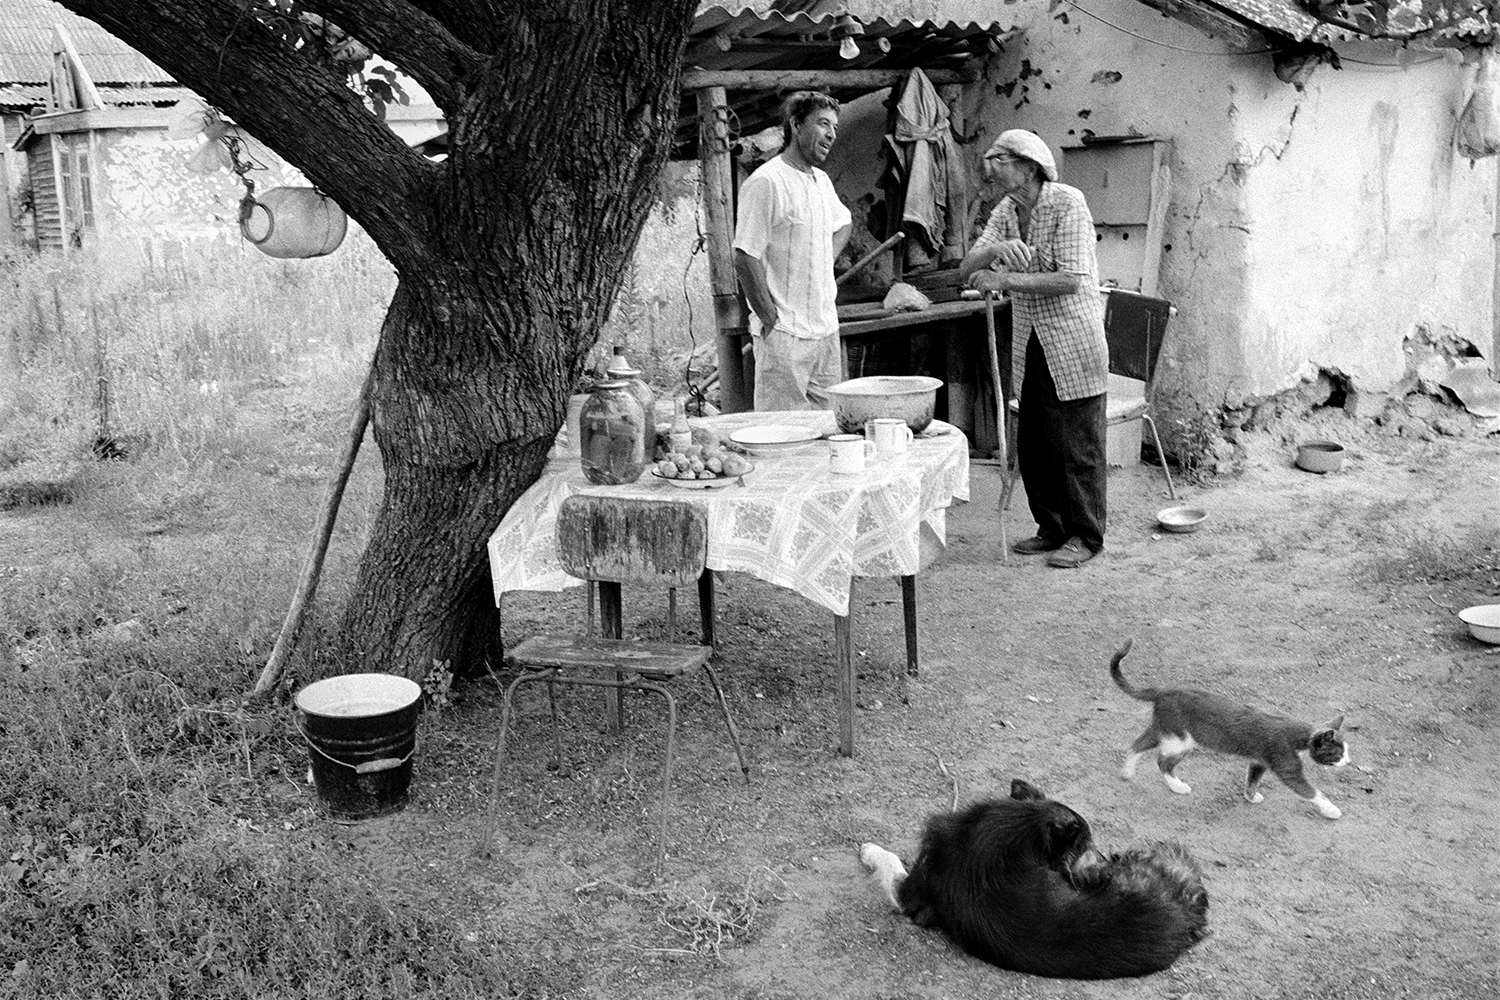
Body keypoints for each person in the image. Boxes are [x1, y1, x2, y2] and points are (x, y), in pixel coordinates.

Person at [959, 129, 1109, 569]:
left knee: (1077, 445)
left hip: (1073, 341)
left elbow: (1070, 279)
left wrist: (1003, 279)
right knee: (1037, 441)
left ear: (1027, 165)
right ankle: (1053, 527)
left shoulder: (1067, 202)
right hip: (1031, 341)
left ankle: (1086, 535)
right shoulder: (1006, 211)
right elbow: (967, 266)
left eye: (999, 158)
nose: (989, 165)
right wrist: (998, 250)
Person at [733, 91, 852, 410]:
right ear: (796, 124)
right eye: (823, 123)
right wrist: (771, 319)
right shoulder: (767, 182)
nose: (831, 134)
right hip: (784, 337)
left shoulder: (821, 182)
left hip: (825, 332)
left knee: (832, 433)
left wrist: (823, 261)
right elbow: (745, 256)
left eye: (835, 127)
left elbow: (844, 224)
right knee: (782, 438)